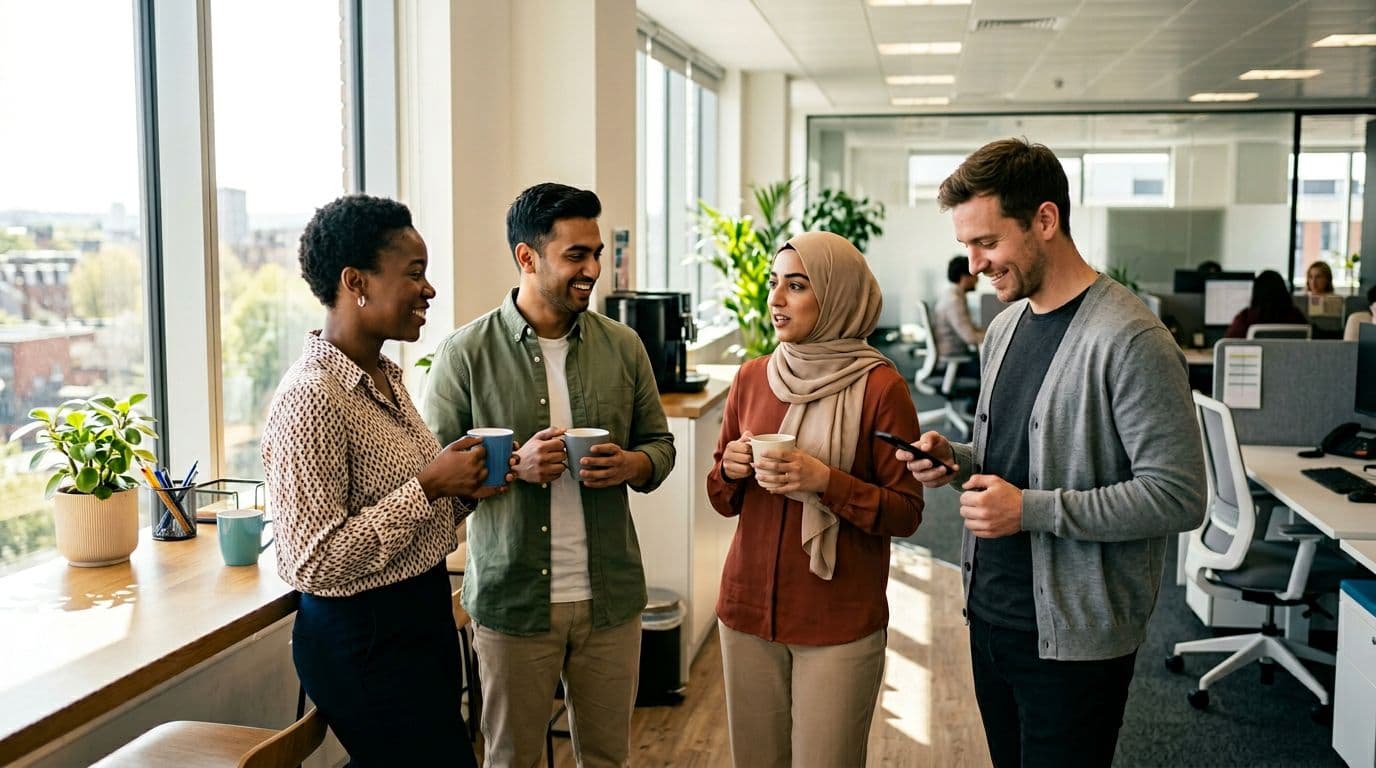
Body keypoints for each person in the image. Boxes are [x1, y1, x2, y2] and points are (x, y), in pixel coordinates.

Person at [895, 138, 1206, 768]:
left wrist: (1030, 510)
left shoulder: (1130, 339)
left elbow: (1177, 495)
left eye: (987, 242)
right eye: (967, 247)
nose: (976, 264)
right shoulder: (1006, 328)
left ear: (1045, 220)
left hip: (1075, 640)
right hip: (990, 613)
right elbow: (1008, 457)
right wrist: (956, 459)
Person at [422, 182, 675, 768]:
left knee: (609, 758)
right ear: (527, 258)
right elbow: (434, 479)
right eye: (575, 256)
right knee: (512, 760)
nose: (592, 270)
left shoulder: (624, 347)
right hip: (514, 604)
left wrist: (631, 464)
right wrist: (514, 465)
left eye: (596, 254)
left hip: (610, 599)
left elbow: (659, 447)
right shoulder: (466, 353)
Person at [262, 194, 507, 767]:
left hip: (418, 623)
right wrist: (428, 487)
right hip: (363, 641)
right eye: (415, 273)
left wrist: (465, 490)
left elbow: (413, 523)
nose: (430, 290)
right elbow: (312, 563)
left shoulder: (386, 378)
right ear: (356, 282)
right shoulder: (312, 398)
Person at [706, 231, 924, 767]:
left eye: (796, 286)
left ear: (837, 296)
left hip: (837, 619)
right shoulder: (753, 376)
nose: (776, 299)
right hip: (746, 609)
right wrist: (730, 469)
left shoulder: (881, 387)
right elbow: (721, 497)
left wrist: (825, 481)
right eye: (774, 284)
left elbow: (907, 511)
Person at [1225, 269, 1307, 339]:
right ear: (1284, 292)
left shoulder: (1246, 317)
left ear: (1256, 292)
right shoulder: (1295, 316)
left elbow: (1228, 343)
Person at [933, 254, 985, 358]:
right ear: (964, 277)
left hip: (956, 356)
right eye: (975, 275)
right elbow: (970, 337)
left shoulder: (953, 295)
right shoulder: (954, 301)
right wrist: (997, 336)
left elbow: (971, 329)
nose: (977, 280)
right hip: (955, 360)